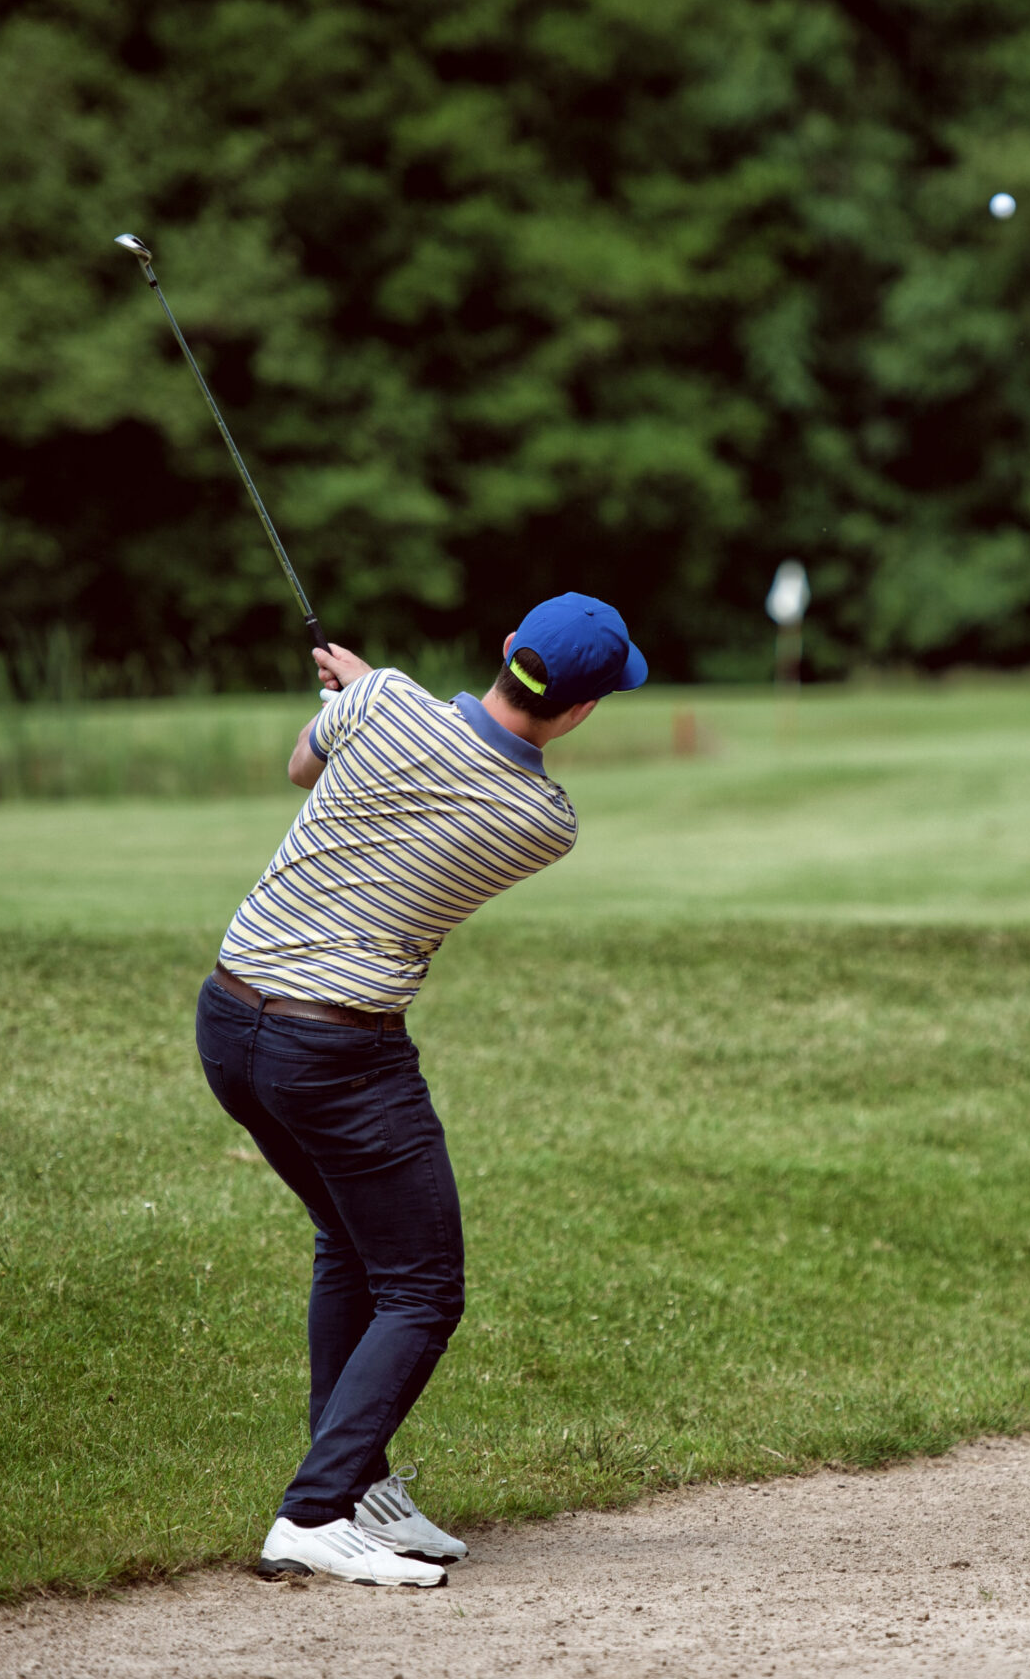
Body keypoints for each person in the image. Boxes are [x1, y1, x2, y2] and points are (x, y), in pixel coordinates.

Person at [195, 593, 646, 1586]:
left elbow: (303, 766)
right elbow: (466, 761)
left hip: (230, 1024)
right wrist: (381, 694)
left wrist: (366, 696)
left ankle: (356, 1485)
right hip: (337, 1054)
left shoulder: (386, 703)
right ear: (581, 712)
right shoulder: (543, 820)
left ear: (506, 647)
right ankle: (314, 1514)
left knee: (352, 1247)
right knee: (423, 1287)